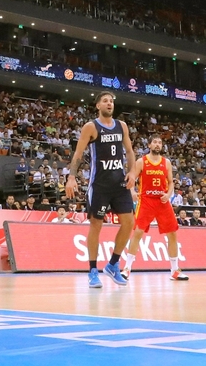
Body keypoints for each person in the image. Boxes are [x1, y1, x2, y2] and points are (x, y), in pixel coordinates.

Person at [65, 92, 136, 289]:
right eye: (105, 101)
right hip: (100, 185)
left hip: (120, 184)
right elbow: (78, 154)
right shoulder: (91, 127)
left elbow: (129, 151)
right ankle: (93, 270)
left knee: (129, 222)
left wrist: (132, 173)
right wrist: (71, 177)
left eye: (112, 101)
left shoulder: (122, 126)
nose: (109, 103)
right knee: (96, 225)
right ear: (98, 105)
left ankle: (113, 264)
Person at [123, 136, 189, 281]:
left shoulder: (167, 163)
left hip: (162, 202)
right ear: (149, 145)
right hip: (146, 200)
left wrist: (169, 194)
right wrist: (133, 191)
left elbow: (171, 183)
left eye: (160, 142)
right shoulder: (141, 161)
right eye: (155, 142)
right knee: (138, 232)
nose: (157, 144)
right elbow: (131, 178)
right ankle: (127, 268)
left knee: (172, 234)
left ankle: (174, 270)